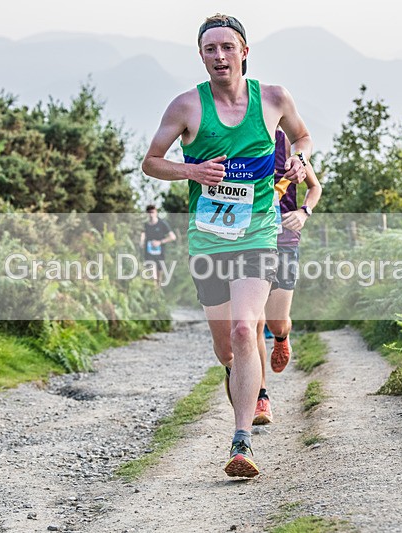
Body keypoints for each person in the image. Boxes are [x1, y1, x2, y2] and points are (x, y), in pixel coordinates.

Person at [141, 13, 312, 478]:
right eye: (210, 49)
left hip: (258, 234)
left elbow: (302, 135)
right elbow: (151, 163)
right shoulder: (186, 107)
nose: (219, 56)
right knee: (227, 350)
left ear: (244, 51)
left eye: (227, 47)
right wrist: (191, 171)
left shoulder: (273, 98)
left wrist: (298, 161)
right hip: (209, 240)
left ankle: (242, 442)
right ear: (201, 56)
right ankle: (241, 378)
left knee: (244, 330)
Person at [253, 129, 322, 425]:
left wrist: (304, 212)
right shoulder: (232, 141)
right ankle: (261, 398)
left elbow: (314, 187)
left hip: (284, 241)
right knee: (252, 323)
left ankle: (282, 336)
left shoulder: (286, 146)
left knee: (274, 322)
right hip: (247, 242)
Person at [139, 204, 176, 285]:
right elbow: (143, 234)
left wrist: (160, 242)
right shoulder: (145, 225)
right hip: (148, 253)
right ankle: (153, 289)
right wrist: (141, 242)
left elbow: (173, 237)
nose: (151, 214)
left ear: (156, 212)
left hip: (160, 253)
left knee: (159, 276)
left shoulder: (162, 223)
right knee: (152, 274)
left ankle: (157, 291)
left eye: (152, 212)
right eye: (149, 212)